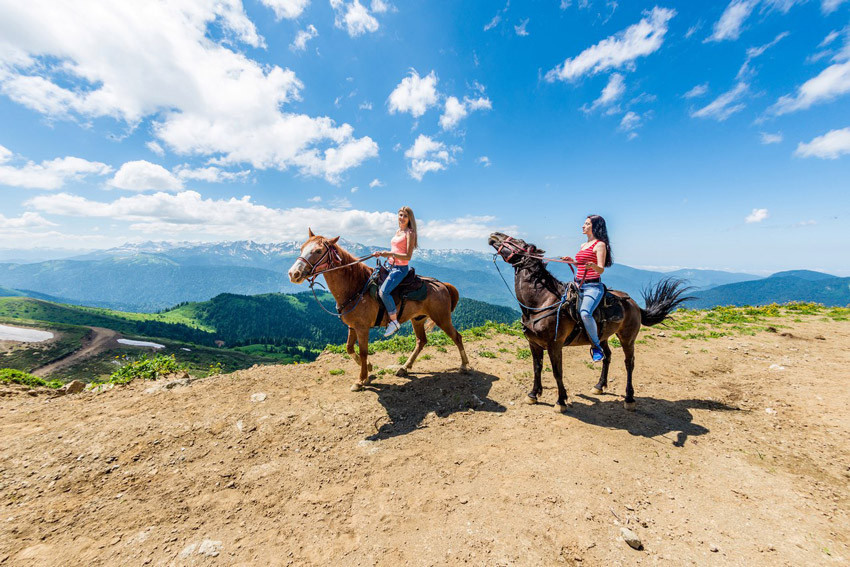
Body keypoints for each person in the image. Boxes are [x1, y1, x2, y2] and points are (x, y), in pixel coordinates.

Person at [560, 215, 613, 362]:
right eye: (584, 223)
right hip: (577, 284)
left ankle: (596, 346)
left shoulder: (600, 245)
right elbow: (581, 265)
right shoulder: (583, 245)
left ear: (595, 227)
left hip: (592, 286)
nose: (583, 226)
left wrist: (593, 266)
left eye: (587, 224)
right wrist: (572, 262)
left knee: (585, 313)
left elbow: (601, 269)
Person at [374, 206, 418, 337]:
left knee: (384, 292)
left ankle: (394, 322)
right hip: (390, 265)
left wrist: (390, 253)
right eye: (400, 215)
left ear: (410, 218)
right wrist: (385, 255)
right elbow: (396, 250)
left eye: (405, 216)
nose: (402, 218)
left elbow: (408, 256)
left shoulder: (410, 233)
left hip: (400, 269)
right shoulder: (398, 231)